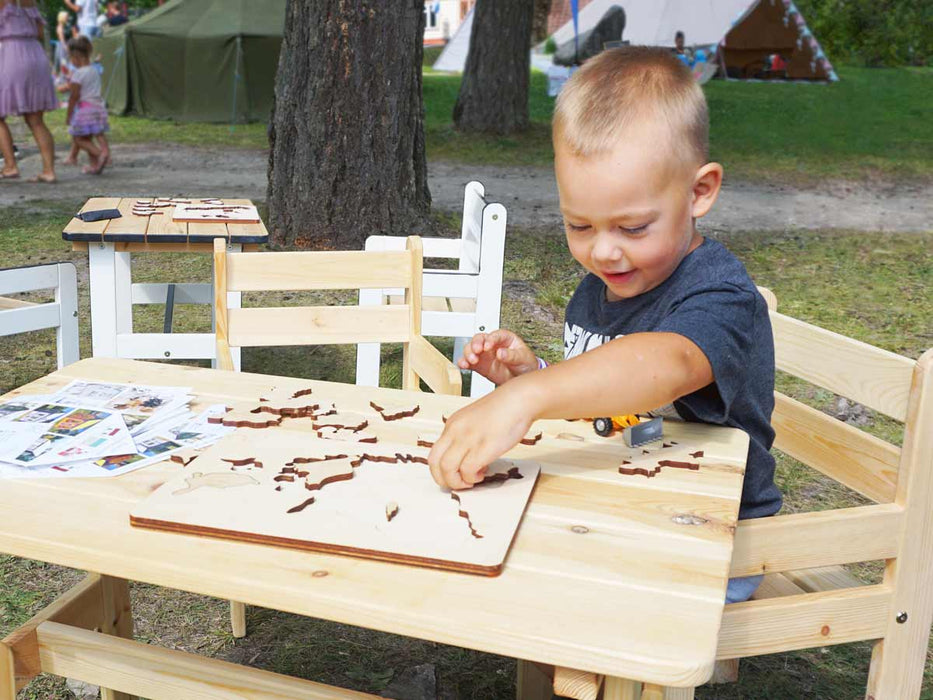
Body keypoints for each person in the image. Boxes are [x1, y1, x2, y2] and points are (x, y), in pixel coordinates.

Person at [427, 47, 781, 604]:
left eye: (633, 227)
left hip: (715, 534)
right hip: (624, 501)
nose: (604, 251)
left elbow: (666, 365)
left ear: (699, 192)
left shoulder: (720, 294)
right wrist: (532, 375)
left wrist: (530, 397)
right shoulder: (602, 284)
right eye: (579, 225)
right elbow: (609, 402)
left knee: (539, 590)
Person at [0, 0, 59, 182]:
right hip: (35, 53)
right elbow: (40, 32)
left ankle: (10, 165)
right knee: (36, 120)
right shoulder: (30, 3)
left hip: (11, 54)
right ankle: (49, 171)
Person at [65, 35, 110, 174]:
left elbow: (74, 97)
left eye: (70, 58)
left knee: (78, 139)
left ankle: (100, 154)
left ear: (76, 57)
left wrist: (69, 115)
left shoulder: (78, 74)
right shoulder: (94, 70)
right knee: (88, 137)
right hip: (99, 108)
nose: (71, 62)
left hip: (85, 110)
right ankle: (95, 166)